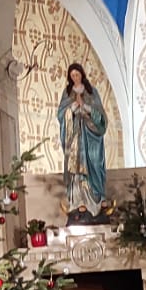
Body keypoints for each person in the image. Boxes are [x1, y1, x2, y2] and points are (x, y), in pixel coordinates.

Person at [57, 62, 107, 221]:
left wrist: (85, 107)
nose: (75, 77)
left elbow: (101, 117)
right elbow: (61, 115)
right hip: (75, 139)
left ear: (82, 75)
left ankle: (96, 200)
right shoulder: (67, 94)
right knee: (76, 169)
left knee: (94, 163)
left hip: (90, 136)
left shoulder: (92, 92)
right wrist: (72, 107)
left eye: (77, 74)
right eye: (72, 75)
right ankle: (78, 201)